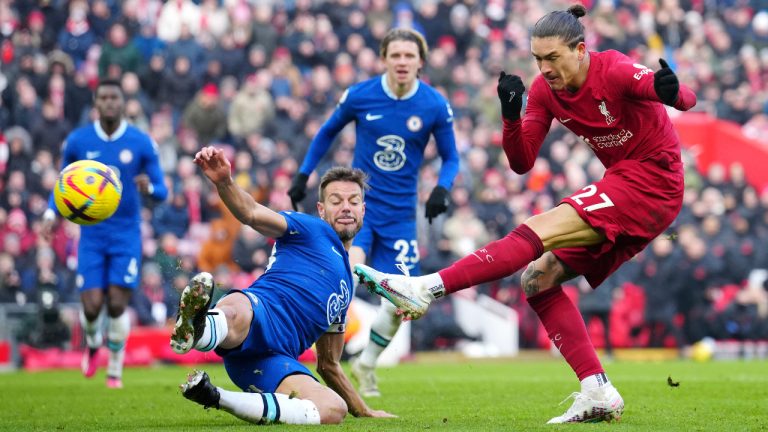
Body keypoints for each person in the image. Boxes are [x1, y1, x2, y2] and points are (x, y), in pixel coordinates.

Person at [354, 4, 696, 424]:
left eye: (553, 57)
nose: (545, 67)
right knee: (537, 279)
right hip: (630, 189)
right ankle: (597, 390)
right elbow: (521, 161)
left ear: (581, 49)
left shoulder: (617, 70)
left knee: (537, 229)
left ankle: (427, 288)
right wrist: (511, 116)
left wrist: (671, 90)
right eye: (538, 58)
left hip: (653, 183)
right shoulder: (545, 90)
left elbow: (685, 98)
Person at [288, 27, 459, 397]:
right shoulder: (361, 95)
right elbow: (326, 133)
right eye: (395, 55)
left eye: (408, 56)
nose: (401, 62)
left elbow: (451, 156)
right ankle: (324, 361)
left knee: (403, 303)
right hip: (358, 209)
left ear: (420, 62)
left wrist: (442, 188)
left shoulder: (433, 104)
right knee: (346, 273)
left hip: (401, 216)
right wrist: (304, 175)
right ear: (384, 58)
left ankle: (366, 363)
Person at [171, 149, 394, 425]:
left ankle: (214, 396)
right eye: (336, 201)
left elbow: (329, 365)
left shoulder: (346, 286)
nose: (346, 207)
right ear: (322, 210)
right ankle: (197, 330)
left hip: (272, 362)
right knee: (236, 310)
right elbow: (252, 213)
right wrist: (224, 182)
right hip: (259, 314)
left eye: (353, 201)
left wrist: (362, 409)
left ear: (363, 210)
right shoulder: (309, 227)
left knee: (333, 409)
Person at [42, 79, 168, 388]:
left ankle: (114, 367)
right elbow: (62, 186)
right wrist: (50, 214)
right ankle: (93, 341)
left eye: (115, 97)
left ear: (123, 103)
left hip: (126, 234)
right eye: (104, 98)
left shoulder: (140, 141)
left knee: (116, 304)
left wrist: (148, 188)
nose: (110, 103)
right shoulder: (78, 141)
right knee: (91, 305)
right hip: (92, 235)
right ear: (96, 104)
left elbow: (163, 190)